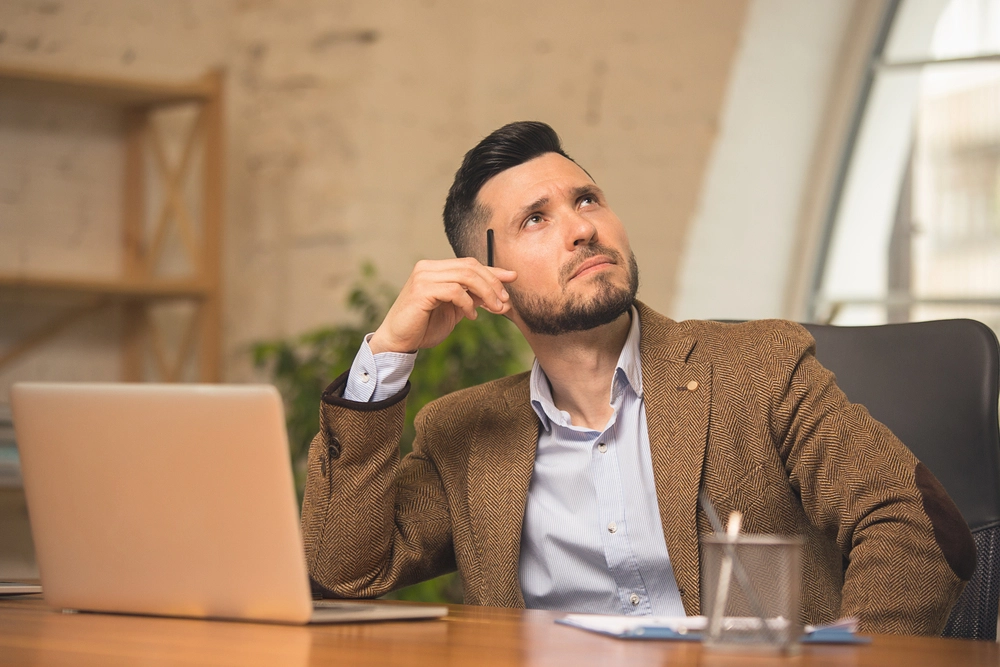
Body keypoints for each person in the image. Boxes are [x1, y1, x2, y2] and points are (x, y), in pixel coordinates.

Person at [301, 121, 974, 635]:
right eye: (536, 218)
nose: (581, 229)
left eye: (586, 199)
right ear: (484, 276)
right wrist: (388, 353)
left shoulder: (758, 367)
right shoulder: (462, 434)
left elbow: (915, 523)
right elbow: (345, 572)